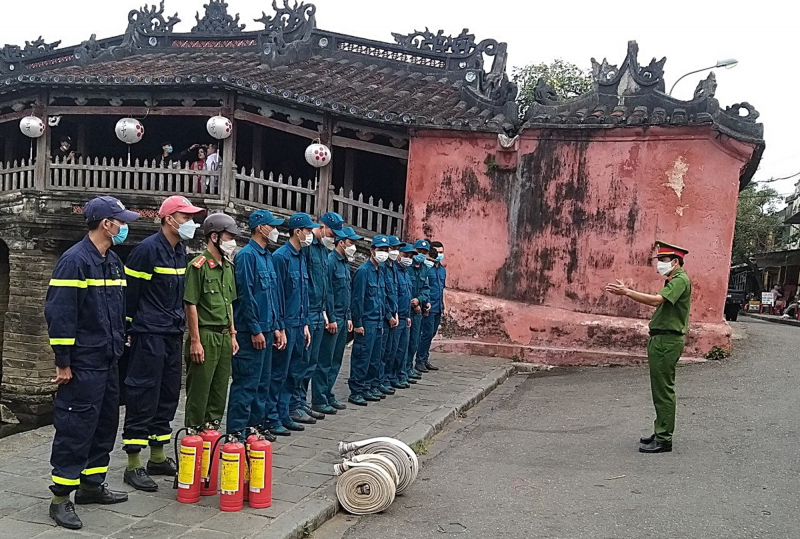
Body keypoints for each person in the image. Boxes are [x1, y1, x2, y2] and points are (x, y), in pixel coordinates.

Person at [44, 196, 139, 529]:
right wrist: (63, 362)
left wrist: (123, 336)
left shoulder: (112, 260)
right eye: (120, 221)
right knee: (76, 428)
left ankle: (91, 485)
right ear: (106, 224)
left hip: (108, 358)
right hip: (83, 362)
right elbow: (60, 314)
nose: (124, 226)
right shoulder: (74, 261)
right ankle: (61, 498)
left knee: (104, 423)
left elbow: (118, 307)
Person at [121, 196, 205, 492]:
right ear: (169, 219)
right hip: (148, 333)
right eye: (186, 217)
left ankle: (157, 454)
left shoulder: (179, 250)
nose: (191, 223)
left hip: (171, 332)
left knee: (168, 392)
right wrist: (129, 329)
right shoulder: (146, 250)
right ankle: (133, 463)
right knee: (143, 391)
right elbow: (131, 295)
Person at [605, 241, 692, 454]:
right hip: (661, 339)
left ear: (675, 261)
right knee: (659, 389)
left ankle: (664, 438)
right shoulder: (673, 280)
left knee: (663, 391)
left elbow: (656, 301)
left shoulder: (680, 280)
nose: (659, 265)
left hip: (667, 341)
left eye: (662, 261)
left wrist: (627, 292)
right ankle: (660, 430)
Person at [226, 209, 286, 442]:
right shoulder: (246, 256)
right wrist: (255, 329)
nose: (275, 230)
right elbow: (245, 295)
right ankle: (236, 432)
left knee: (263, 382)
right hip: (252, 332)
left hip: (270, 328)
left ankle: (254, 426)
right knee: (246, 383)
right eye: (272, 226)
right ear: (261, 228)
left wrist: (278, 327)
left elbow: (274, 295)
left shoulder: (268, 257)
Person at [183, 213, 240, 428]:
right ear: (214, 236)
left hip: (224, 336)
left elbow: (230, 304)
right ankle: (193, 438)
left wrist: (233, 334)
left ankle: (211, 437)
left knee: (219, 392)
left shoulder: (228, 267)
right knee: (199, 392)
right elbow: (191, 304)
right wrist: (195, 341)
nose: (232, 242)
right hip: (206, 335)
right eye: (228, 237)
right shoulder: (198, 266)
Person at [265, 213, 315, 436]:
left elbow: (303, 295)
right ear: (297, 232)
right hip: (285, 325)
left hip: (298, 324)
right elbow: (277, 296)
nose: (310, 234)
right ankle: (271, 417)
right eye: (308, 230)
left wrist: (305, 324)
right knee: (278, 374)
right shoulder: (281, 257)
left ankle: (284, 414)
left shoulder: (301, 256)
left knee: (293, 373)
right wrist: (279, 327)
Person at [293, 212, 345, 425]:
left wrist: (326, 312)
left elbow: (326, 288)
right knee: (301, 363)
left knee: (311, 362)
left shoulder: (324, 250)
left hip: (318, 312)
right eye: (331, 233)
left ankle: (302, 402)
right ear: (322, 227)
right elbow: (305, 284)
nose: (333, 238)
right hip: (307, 312)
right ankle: (296, 403)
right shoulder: (307, 248)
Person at [312, 226, 362, 414]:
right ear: (341, 242)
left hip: (343, 318)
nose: (353, 246)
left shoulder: (344, 263)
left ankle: (328, 393)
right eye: (351, 242)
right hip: (333, 319)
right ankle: (319, 397)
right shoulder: (332, 261)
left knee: (336, 360)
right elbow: (329, 293)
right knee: (324, 360)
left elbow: (346, 292)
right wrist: (331, 317)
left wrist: (348, 316)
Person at [349, 235, 390, 406]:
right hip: (366, 322)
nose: (384, 254)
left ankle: (368, 386)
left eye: (386, 251)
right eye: (380, 250)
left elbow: (382, 297)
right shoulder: (363, 272)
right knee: (362, 357)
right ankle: (356, 390)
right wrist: (357, 323)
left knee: (375, 358)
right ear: (372, 251)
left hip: (378, 321)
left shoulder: (380, 271)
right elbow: (357, 300)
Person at [376, 236, 402, 397]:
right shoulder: (382, 268)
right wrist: (388, 315)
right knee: (380, 353)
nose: (393, 252)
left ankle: (384, 379)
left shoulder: (394, 268)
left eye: (394, 249)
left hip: (394, 315)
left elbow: (395, 295)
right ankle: (378, 381)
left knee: (390, 351)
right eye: (391, 249)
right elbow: (382, 295)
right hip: (383, 317)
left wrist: (396, 313)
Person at [417, 241, 447, 372]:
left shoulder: (441, 270)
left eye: (441, 252)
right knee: (426, 334)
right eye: (437, 252)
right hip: (429, 307)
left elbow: (441, 289)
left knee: (431, 334)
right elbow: (425, 287)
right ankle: (419, 360)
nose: (439, 255)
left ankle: (425, 358)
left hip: (438, 306)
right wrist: (425, 305)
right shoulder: (426, 268)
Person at [404, 240, 431, 384]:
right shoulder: (407, 267)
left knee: (414, 342)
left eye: (424, 252)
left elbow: (426, 289)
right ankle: (402, 370)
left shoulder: (424, 269)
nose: (421, 254)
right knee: (404, 343)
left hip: (417, 311)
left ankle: (409, 367)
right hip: (407, 309)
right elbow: (403, 288)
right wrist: (413, 302)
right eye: (419, 251)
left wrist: (420, 300)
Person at [391, 243, 416, 389]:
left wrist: (407, 316)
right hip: (395, 315)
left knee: (402, 349)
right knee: (392, 351)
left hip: (404, 315)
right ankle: (390, 377)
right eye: (406, 256)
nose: (408, 259)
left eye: (410, 256)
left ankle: (400, 374)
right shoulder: (393, 270)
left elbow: (407, 295)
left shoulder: (406, 272)